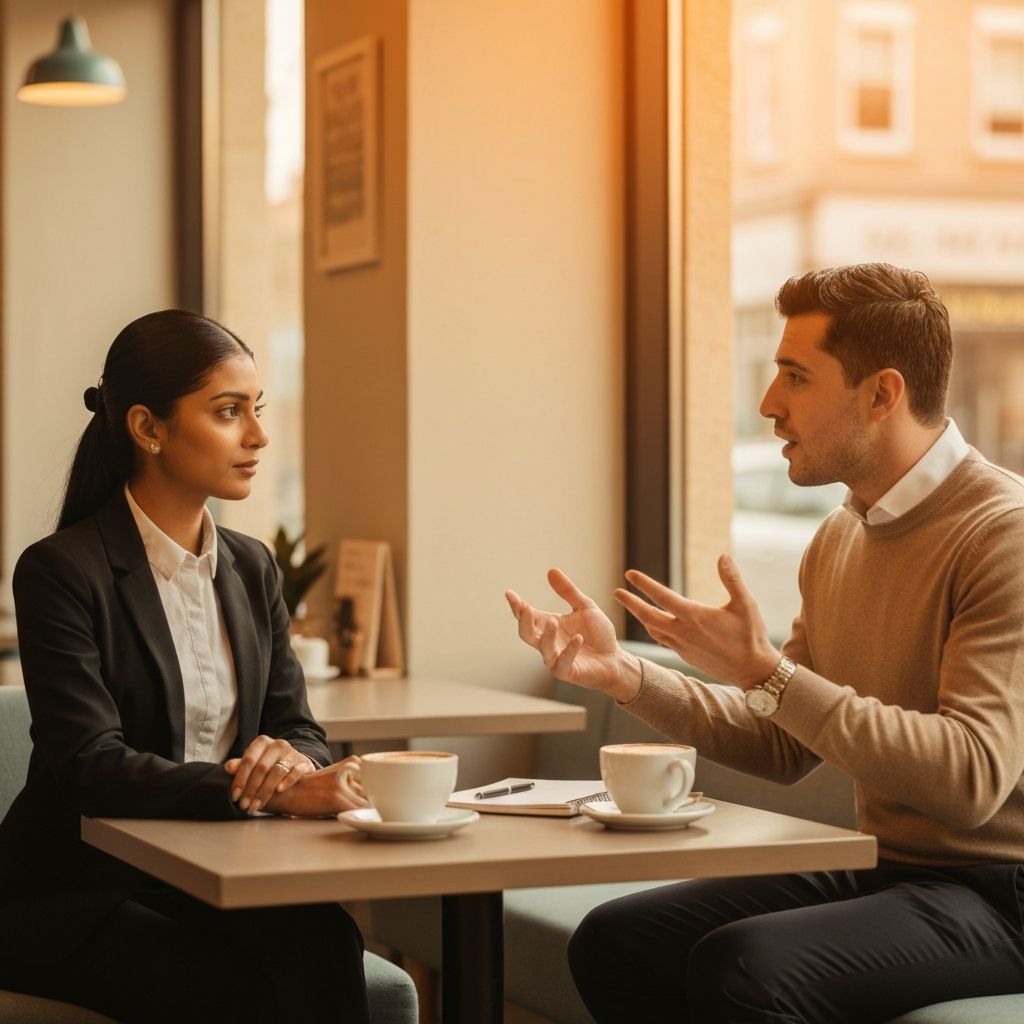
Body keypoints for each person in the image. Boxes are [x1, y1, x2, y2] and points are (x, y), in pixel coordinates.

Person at [506, 263, 1024, 1023]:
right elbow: (785, 745)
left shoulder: (1000, 535)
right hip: (886, 867)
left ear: (882, 394)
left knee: (745, 970)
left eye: (795, 377)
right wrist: (627, 678)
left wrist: (769, 673)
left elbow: (971, 779)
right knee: (617, 940)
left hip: (1001, 890)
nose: (768, 404)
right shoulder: (839, 538)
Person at [0, 310, 371, 1024]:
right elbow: (89, 765)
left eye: (255, 410)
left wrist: (290, 761)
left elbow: (298, 724)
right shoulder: (60, 571)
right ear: (147, 428)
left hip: (218, 873)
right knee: (224, 989)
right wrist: (262, 792)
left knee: (325, 941)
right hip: (81, 891)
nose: (258, 435)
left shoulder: (252, 566)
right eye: (229, 412)